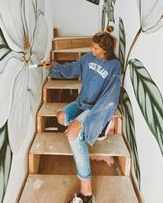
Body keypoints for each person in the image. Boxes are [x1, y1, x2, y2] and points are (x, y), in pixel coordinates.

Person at [42, 26, 121, 203]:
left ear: (105, 50)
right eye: (92, 47)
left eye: (95, 48)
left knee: (72, 134)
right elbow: (71, 69)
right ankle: (86, 136)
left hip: (96, 108)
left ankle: (86, 192)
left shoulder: (114, 66)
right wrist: (52, 67)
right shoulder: (87, 58)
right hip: (81, 103)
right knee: (61, 117)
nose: (91, 50)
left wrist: (95, 117)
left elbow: (111, 96)